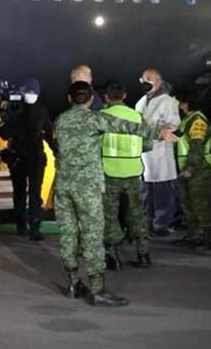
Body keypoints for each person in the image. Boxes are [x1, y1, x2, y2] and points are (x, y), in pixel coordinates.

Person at [54, 82, 174, 307]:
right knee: (91, 236)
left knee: (68, 235)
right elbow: (126, 126)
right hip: (87, 187)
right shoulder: (94, 119)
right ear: (90, 99)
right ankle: (97, 289)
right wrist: (159, 132)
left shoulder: (61, 120)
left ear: (70, 99)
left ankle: (72, 283)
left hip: (63, 186)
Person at [100, 82, 152, 269]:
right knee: (136, 213)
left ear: (105, 97)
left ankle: (113, 256)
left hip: (109, 173)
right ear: (125, 95)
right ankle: (143, 253)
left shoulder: (102, 117)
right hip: (133, 173)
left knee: (110, 215)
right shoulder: (137, 117)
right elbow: (148, 145)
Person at [0, 77, 54, 240]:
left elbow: (3, 133)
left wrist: (4, 117)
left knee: (19, 192)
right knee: (35, 192)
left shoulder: (15, 110)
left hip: (18, 158)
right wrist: (57, 152)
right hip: (35, 158)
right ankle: (34, 228)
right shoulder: (42, 110)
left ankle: (21, 226)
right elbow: (49, 135)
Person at [134, 68, 181, 236]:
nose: (145, 83)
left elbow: (173, 125)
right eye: (143, 80)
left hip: (160, 154)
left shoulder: (167, 101)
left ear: (159, 81)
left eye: (149, 80)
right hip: (145, 155)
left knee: (162, 192)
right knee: (147, 192)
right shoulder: (141, 102)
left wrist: (160, 131)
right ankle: (148, 221)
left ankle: (161, 224)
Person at [175, 93, 211, 249]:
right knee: (189, 203)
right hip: (187, 168)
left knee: (200, 203)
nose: (179, 106)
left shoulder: (197, 120)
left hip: (198, 168)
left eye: (181, 102)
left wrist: (190, 167)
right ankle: (193, 235)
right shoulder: (188, 119)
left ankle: (207, 237)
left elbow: (197, 145)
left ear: (187, 103)